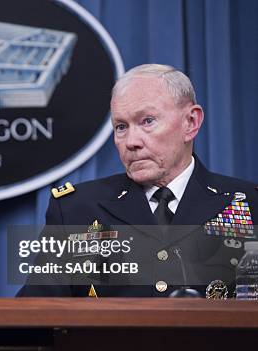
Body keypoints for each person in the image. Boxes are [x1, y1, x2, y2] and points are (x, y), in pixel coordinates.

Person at [17, 64, 256, 298]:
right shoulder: (76, 210)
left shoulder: (248, 204)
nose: (131, 141)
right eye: (121, 126)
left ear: (190, 122)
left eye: (147, 121)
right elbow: (35, 316)